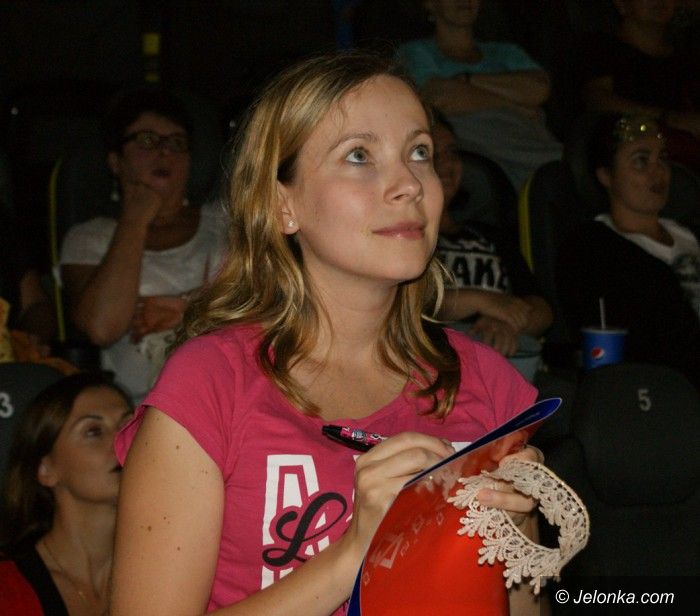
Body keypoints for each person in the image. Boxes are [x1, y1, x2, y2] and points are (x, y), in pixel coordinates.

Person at [110, 52, 545, 616]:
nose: (409, 184)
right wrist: (355, 552)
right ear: (282, 205)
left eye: (419, 152)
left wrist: (519, 534)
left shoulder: (490, 384)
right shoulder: (211, 383)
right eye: (359, 155)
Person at [60, 88, 227, 403]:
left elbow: (269, 306)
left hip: (224, 392)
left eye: (176, 143)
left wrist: (188, 311)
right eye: (147, 140)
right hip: (134, 406)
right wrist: (134, 220)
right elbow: (101, 328)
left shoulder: (226, 223)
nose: (164, 152)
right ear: (115, 161)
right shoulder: (90, 238)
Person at [557, 113, 700, 389]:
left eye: (662, 159)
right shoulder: (592, 248)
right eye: (641, 161)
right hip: (664, 388)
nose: (657, 172)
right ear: (606, 175)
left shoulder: (691, 233)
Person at [0, 372, 132, 615]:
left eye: (129, 426)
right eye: (94, 431)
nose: (122, 441)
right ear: (45, 469)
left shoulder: (172, 568)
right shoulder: (9, 590)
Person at [397, 0, 562, 191]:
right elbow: (440, 97)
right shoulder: (415, 52)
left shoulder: (505, 52)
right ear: (430, 3)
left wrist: (467, 80)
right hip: (474, 139)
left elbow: (539, 89)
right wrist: (515, 105)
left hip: (524, 131)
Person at [433, 114, 553, 360]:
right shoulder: (402, 238)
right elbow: (404, 306)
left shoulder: (490, 235)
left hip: (502, 356)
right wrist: (480, 301)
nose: (445, 163)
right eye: (430, 153)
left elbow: (543, 311)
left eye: (451, 152)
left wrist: (505, 322)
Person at [577, 0, 700, 173]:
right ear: (621, 4)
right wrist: (668, 119)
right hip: (637, 154)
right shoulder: (600, 47)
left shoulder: (686, 58)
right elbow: (597, 98)